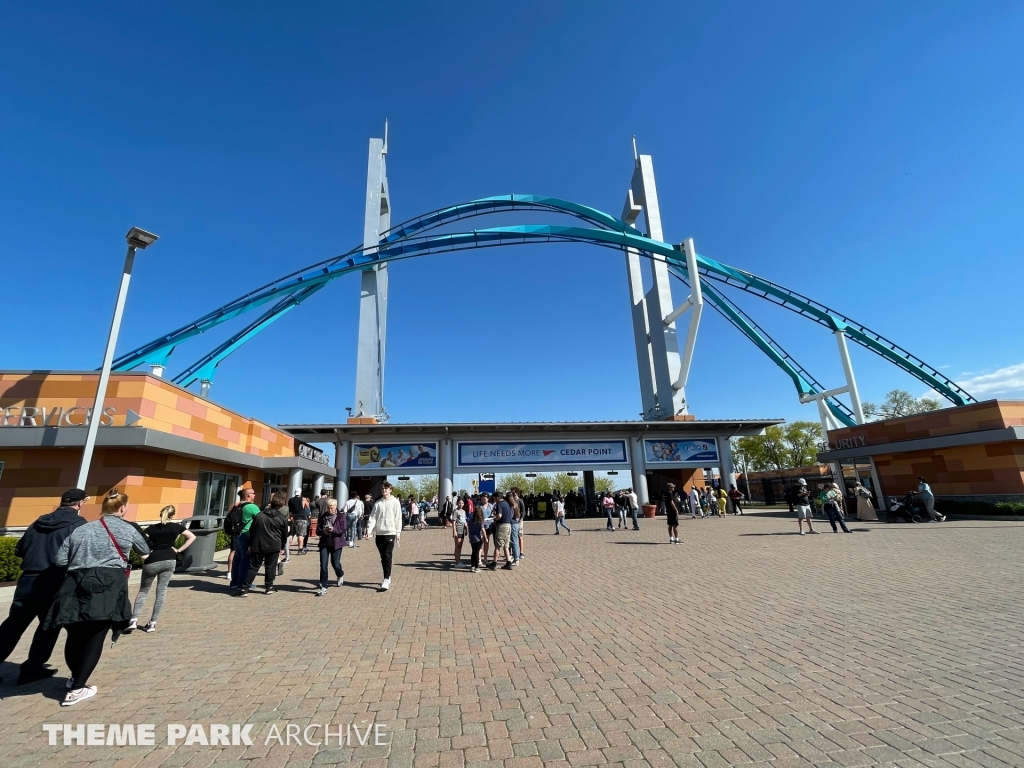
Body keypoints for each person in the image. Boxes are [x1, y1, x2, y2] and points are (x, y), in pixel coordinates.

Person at [44, 489, 150, 706]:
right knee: (96, 635)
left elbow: (61, 559)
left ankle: (75, 677)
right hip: (108, 583)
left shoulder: (83, 529)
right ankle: (77, 688)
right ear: (122, 508)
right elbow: (145, 553)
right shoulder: (126, 529)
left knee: (74, 632)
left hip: (75, 582)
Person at [0, 488, 88, 685]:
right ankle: (32, 667)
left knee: (13, 625)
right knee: (49, 625)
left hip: (28, 579)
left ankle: (29, 666)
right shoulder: (78, 525)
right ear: (80, 503)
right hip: (55, 580)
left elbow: (20, 549)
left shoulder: (38, 522)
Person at [127, 505, 195, 633]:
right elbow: (192, 537)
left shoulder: (152, 528)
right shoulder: (177, 527)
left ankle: (134, 620)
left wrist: (144, 553)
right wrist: (179, 550)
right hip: (169, 559)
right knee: (161, 591)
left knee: (143, 590)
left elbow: (140, 540)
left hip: (152, 559)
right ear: (173, 515)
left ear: (160, 514)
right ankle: (152, 623)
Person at [242, 491, 289, 595]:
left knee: (253, 567)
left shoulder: (259, 516)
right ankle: (269, 587)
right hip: (273, 545)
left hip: (258, 544)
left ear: (271, 502)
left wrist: (250, 544)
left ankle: (244, 588)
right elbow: (284, 535)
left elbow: (252, 531)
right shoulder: (282, 518)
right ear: (281, 505)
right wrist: (282, 546)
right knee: (270, 567)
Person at [365, 482, 402, 590]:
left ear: (390, 490)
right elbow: (373, 518)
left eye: (386, 489)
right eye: (383, 489)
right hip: (379, 533)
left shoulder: (395, 502)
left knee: (387, 555)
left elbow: (398, 518)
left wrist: (398, 533)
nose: (384, 490)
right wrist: (369, 530)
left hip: (390, 532)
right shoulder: (378, 503)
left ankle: (386, 579)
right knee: (383, 557)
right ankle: (387, 575)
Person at [230, 488, 260, 592]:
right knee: (245, 560)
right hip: (246, 535)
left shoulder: (236, 505)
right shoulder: (251, 506)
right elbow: (261, 519)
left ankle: (234, 582)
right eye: (253, 493)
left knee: (237, 559)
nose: (254, 495)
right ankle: (242, 583)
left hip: (236, 534)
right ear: (248, 495)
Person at [315, 498, 347, 595]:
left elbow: (343, 530)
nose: (330, 510)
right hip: (324, 543)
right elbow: (317, 530)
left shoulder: (341, 516)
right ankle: (323, 586)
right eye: (329, 508)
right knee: (323, 565)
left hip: (336, 543)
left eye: (332, 508)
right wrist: (323, 531)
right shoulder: (323, 517)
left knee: (335, 563)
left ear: (336, 507)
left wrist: (333, 529)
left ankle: (340, 574)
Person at [490, 493, 515, 570]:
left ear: (497, 497)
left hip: (502, 526)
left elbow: (499, 515)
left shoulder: (499, 504)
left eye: (494, 498)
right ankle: (508, 562)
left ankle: (494, 563)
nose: (494, 500)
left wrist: (494, 518)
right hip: (508, 525)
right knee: (506, 545)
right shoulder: (506, 503)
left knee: (498, 545)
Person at [467, 507, 486, 573]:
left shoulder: (471, 519)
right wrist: (485, 537)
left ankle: (472, 566)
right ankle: (476, 567)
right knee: (477, 552)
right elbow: (483, 529)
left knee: (473, 552)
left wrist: (469, 536)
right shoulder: (480, 520)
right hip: (478, 537)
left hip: (472, 537)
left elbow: (469, 528)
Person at [452, 497, 467, 567]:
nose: (461, 504)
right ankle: (457, 562)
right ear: (457, 503)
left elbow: (464, 521)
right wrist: (454, 531)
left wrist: (466, 528)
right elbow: (454, 522)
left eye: (462, 503)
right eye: (459, 503)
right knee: (457, 546)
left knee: (460, 546)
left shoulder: (463, 511)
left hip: (462, 530)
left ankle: (458, 560)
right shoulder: (456, 511)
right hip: (458, 530)